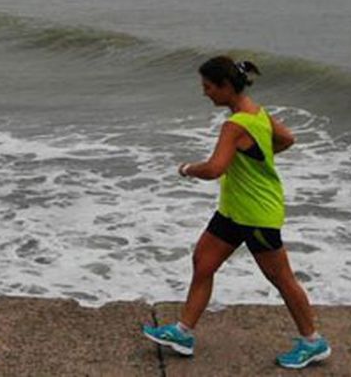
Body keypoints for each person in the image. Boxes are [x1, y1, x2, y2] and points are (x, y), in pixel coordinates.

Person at [141, 56, 331, 369]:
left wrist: (187, 169)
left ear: (226, 86)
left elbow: (215, 168)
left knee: (282, 279)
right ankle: (183, 333)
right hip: (233, 212)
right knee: (203, 261)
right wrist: (260, 158)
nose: (205, 93)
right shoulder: (256, 113)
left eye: (208, 87)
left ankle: (314, 342)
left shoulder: (235, 125)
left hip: (256, 215)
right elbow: (286, 139)